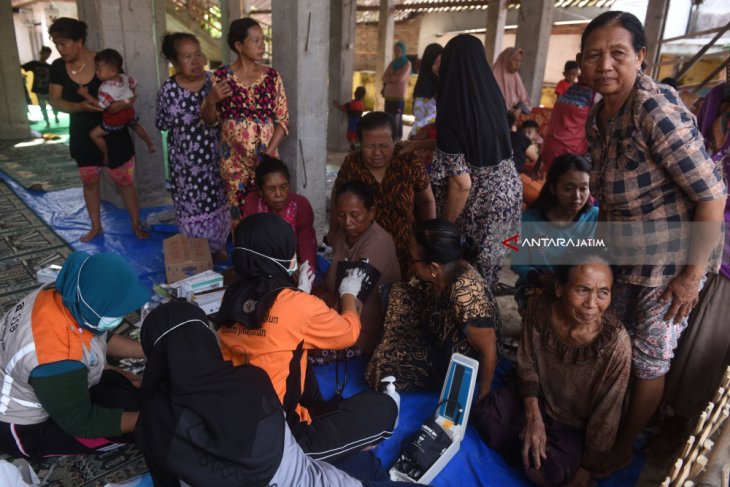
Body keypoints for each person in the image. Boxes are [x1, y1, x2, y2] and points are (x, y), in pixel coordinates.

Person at [580, 11, 727, 472]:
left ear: (640, 57)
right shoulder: (598, 114)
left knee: (648, 359)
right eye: (594, 55)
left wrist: (690, 277)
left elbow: (712, 195)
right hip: (624, 253)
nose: (605, 64)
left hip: (667, 264)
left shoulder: (653, 108)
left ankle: (624, 443)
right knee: (616, 340)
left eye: (618, 53)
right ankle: (607, 419)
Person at [138, 301, 409, 487]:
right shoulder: (250, 382)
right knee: (368, 462)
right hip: (306, 477)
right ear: (207, 340)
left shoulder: (153, 423)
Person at [215, 213, 397, 463]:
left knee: (297, 352)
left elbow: (273, 328)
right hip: (279, 439)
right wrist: (348, 293)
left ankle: (318, 419)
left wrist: (299, 296)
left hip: (232, 419)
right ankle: (313, 448)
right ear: (280, 252)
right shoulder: (296, 305)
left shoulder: (232, 295)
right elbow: (349, 333)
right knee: (385, 409)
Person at [475, 253, 631, 487]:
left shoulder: (615, 345)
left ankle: (530, 447)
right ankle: (526, 440)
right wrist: (533, 415)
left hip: (574, 425)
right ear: (559, 288)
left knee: (545, 470)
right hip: (535, 400)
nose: (592, 304)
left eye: (603, 292)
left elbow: (607, 414)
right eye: (582, 290)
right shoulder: (539, 308)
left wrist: (585, 470)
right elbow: (527, 364)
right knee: (486, 417)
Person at [0, 251, 149, 458]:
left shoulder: (67, 295)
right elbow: (82, 423)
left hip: (36, 381)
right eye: (115, 312)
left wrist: (145, 351)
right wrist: (152, 419)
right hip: (19, 427)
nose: (121, 317)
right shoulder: (54, 358)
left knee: (123, 389)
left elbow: (99, 336)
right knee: (133, 429)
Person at [365, 219, 501, 399]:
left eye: (414, 260)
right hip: (441, 329)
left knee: (379, 369)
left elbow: (488, 350)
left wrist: (483, 396)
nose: (412, 264)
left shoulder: (465, 297)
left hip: (455, 360)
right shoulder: (446, 269)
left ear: (433, 267)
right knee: (397, 292)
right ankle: (396, 344)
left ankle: (401, 349)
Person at [665, 59, 730, 421]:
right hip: (690, 226)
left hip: (725, 251)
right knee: (672, 326)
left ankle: (680, 423)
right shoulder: (716, 98)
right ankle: (657, 410)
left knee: (702, 339)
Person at [433, 34, 522, 290]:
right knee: (488, 272)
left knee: (469, 279)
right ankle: (486, 323)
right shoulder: (491, 97)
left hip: (483, 205)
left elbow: (461, 185)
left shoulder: (451, 111)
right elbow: (472, 143)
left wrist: (445, 229)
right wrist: (418, 146)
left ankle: (472, 327)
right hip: (509, 197)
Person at [49, 18, 148, 242]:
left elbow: (127, 90)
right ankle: (96, 227)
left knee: (124, 181)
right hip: (82, 134)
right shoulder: (57, 67)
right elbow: (56, 101)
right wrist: (78, 107)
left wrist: (122, 105)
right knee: (90, 182)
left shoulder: (102, 61)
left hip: (113, 131)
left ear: (79, 41)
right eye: (56, 44)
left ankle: (135, 224)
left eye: (64, 43)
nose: (60, 49)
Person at [201, 17, 289, 230]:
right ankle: (245, 260)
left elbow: (283, 120)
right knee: (239, 216)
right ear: (239, 46)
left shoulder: (271, 76)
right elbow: (210, 121)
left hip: (266, 160)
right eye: (255, 41)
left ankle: (269, 258)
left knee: (270, 212)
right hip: (234, 164)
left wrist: (268, 154)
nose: (262, 46)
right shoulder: (220, 76)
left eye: (263, 40)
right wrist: (211, 100)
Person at [331, 111, 436, 277]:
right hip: (364, 253)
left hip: (406, 252)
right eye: (370, 146)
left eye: (384, 146)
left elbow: (426, 202)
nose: (377, 153)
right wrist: (333, 233)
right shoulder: (352, 165)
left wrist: (429, 239)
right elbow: (338, 198)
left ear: (395, 141)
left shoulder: (409, 162)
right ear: (359, 143)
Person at [156, 33, 231, 262]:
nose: (196, 61)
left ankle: (217, 247)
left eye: (198, 54)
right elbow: (162, 123)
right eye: (188, 56)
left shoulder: (214, 82)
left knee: (218, 200)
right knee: (191, 207)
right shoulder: (168, 90)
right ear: (175, 62)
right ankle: (198, 253)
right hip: (185, 165)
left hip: (215, 157)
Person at [314, 181, 401, 358]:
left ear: (371, 213)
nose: (347, 222)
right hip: (337, 316)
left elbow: (351, 304)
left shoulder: (377, 243)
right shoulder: (342, 235)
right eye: (340, 215)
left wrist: (316, 310)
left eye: (355, 215)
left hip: (362, 330)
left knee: (300, 345)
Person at [511, 154, 599, 311]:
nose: (577, 196)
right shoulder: (529, 221)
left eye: (583, 188)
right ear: (552, 188)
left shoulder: (596, 218)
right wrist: (542, 279)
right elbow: (518, 262)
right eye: (568, 188)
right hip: (540, 286)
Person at [81, 49, 156, 166]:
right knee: (136, 126)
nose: (96, 72)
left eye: (99, 70)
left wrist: (86, 95)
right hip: (129, 113)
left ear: (112, 71)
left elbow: (102, 106)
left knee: (94, 135)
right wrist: (129, 99)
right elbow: (133, 84)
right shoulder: (124, 78)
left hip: (115, 120)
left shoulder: (105, 89)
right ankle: (150, 144)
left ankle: (106, 155)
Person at [242, 155, 316, 268]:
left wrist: (305, 269)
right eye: (271, 189)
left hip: (296, 265)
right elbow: (251, 244)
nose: (278, 194)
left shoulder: (301, 204)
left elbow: (307, 242)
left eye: (283, 186)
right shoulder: (252, 202)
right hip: (262, 265)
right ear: (260, 190)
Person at [540, 75, 596, 175]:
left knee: (555, 187)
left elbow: (553, 124)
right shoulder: (596, 95)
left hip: (552, 149)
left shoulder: (570, 90)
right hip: (572, 154)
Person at [22, 46, 59, 128]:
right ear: (41, 53)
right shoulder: (34, 64)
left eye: (48, 54)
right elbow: (22, 67)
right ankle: (47, 122)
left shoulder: (50, 67)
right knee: (43, 107)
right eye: (45, 53)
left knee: (54, 106)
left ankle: (56, 117)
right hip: (39, 90)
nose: (46, 56)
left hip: (48, 91)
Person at [410, 43, 442, 138]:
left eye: (442, 62)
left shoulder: (447, 85)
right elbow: (423, 123)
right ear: (427, 64)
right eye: (436, 63)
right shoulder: (423, 92)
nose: (440, 67)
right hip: (425, 142)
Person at [381, 41, 411, 140]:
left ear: (403, 51)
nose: (396, 52)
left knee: (397, 118)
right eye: (395, 50)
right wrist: (393, 77)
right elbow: (384, 77)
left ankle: (397, 138)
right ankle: (388, 137)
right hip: (388, 94)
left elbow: (400, 79)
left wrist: (391, 77)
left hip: (398, 96)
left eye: (398, 50)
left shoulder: (407, 63)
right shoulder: (392, 63)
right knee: (387, 117)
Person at [493, 47, 531, 115]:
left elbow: (525, 101)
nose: (518, 64)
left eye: (520, 61)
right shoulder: (493, 76)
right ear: (506, 60)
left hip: (510, 120)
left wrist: (519, 109)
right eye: (515, 60)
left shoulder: (516, 77)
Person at [334, 86, 367, 150]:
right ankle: (357, 149)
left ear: (355, 93)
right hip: (359, 122)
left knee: (352, 136)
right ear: (363, 95)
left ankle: (356, 150)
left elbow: (343, 108)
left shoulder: (351, 103)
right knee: (357, 136)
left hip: (353, 122)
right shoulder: (362, 104)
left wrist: (336, 104)